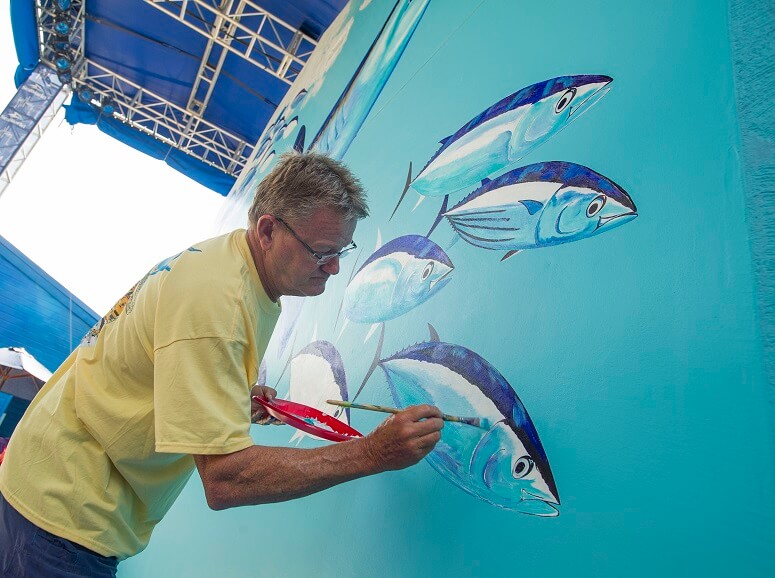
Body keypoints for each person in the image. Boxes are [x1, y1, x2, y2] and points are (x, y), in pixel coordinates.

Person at [0, 151, 444, 577]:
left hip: (39, 471)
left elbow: (162, 362)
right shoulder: (219, 306)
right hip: (64, 511)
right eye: (321, 252)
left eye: (342, 252)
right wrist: (372, 453)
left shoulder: (229, 265)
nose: (332, 268)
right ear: (268, 230)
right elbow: (226, 480)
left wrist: (227, 394)